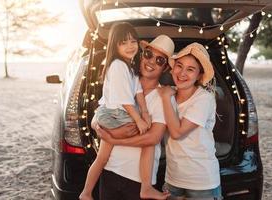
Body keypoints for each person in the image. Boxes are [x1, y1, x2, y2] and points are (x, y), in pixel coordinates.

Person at [80, 22, 169, 200]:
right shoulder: (119, 66)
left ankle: (87, 193)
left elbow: (137, 94)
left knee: (103, 156)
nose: (151, 61)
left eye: (159, 60)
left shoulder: (158, 93)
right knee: (144, 141)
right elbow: (124, 102)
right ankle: (144, 188)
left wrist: (143, 114)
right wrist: (138, 120)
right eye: (149, 54)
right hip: (112, 123)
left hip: (130, 177)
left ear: (165, 68)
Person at [158, 42, 222, 199]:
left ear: (199, 75)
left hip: (201, 183)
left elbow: (177, 132)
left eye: (190, 69)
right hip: (173, 179)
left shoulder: (203, 99)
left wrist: (166, 98)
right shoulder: (169, 94)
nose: (182, 73)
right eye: (179, 66)